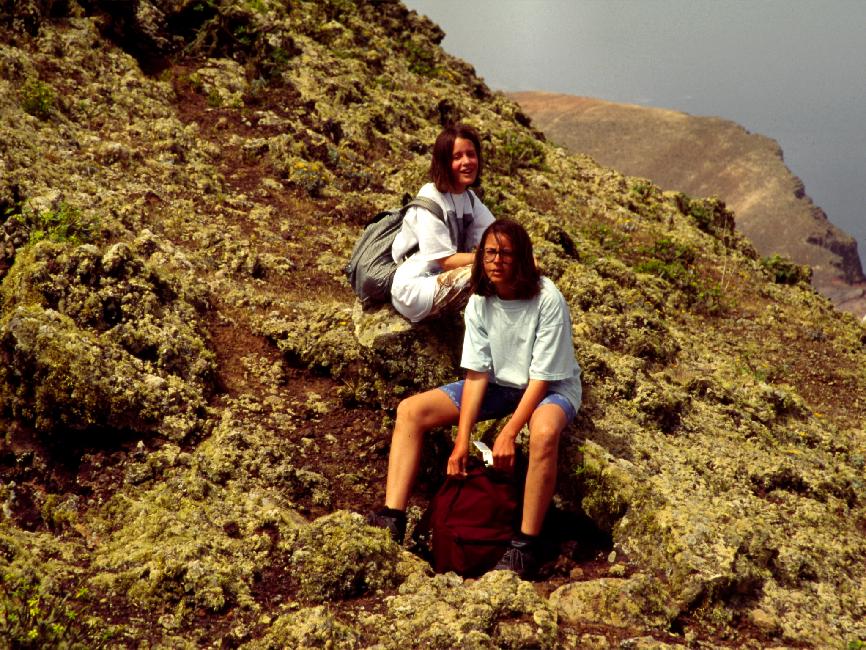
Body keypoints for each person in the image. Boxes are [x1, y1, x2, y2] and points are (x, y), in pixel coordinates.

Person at [369, 219, 582, 579]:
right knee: (411, 411)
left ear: (523, 259)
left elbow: (541, 376)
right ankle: (393, 516)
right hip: (499, 384)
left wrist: (510, 432)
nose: (496, 260)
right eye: (490, 252)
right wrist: (461, 441)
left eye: (506, 254)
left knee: (544, 432)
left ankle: (525, 546)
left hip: (552, 386)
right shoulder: (480, 300)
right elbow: (477, 373)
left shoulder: (547, 299)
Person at [390, 123, 496, 322]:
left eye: (471, 154)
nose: (467, 162)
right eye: (457, 157)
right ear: (444, 163)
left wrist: (519, 255)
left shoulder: (469, 199)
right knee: (492, 271)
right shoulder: (430, 198)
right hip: (414, 287)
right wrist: (493, 257)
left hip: (441, 279)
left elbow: (497, 236)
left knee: (508, 271)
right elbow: (446, 261)